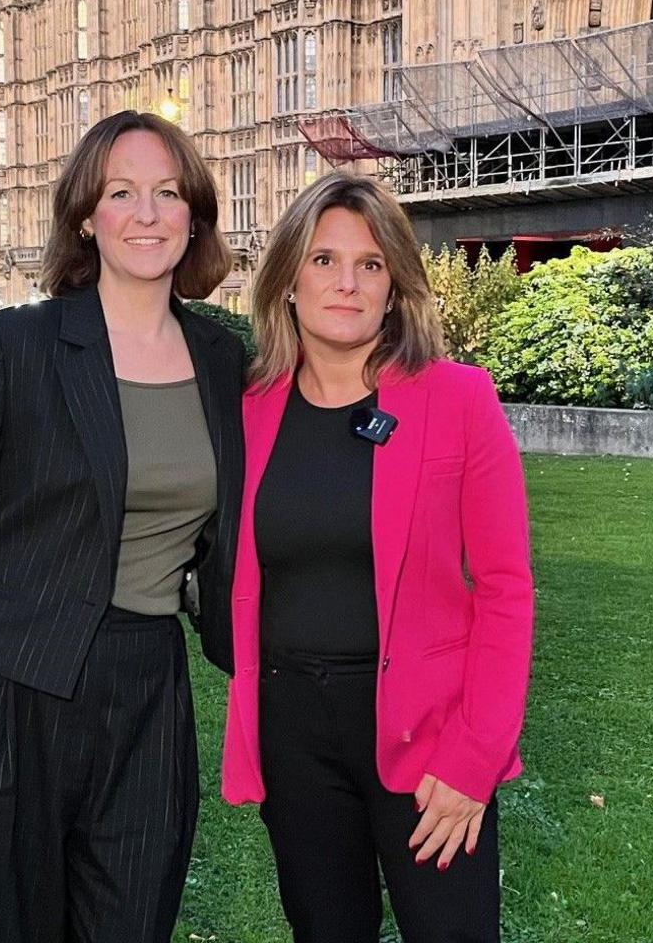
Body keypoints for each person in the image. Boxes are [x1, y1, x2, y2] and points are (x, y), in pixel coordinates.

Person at [0, 110, 244, 943]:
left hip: (144, 690)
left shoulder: (224, 360)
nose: (146, 213)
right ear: (85, 216)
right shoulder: (11, 346)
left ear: (194, 215)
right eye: (121, 192)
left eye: (168, 193)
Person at [221, 174, 534, 943]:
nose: (347, 284)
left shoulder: (458, 399)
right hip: (292, 734)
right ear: (287, 281)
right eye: (324, 261)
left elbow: (506, 589)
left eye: (369, 265)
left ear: (394, 287)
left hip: (429, 735)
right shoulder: (245, 408)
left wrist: (474, 758)